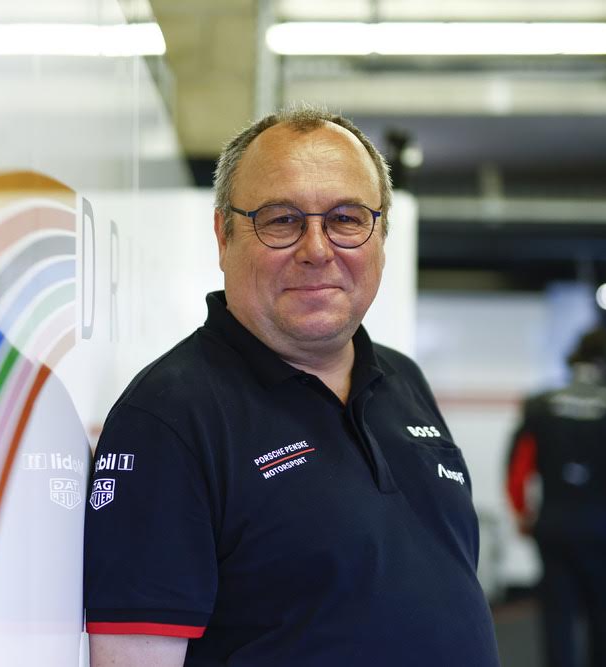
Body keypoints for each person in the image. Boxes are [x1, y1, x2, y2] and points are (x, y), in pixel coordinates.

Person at [83, 107, 499, 666]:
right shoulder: (169, 417)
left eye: (346, 219)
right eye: (281, 220)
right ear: (223, 235)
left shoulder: (402, 380)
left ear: (381, 235)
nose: (317, 249)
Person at [507, 327, 606, 667]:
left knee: (556, 620)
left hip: (553, 526)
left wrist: (522, 515)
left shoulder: (540, 406)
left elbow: (517, 473)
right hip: (604, 532)